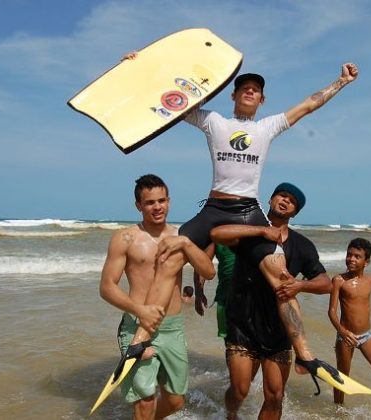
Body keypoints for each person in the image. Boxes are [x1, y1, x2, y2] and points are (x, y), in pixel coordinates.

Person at [123, 51, 358, 384]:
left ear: (262, 100)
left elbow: (308, 104)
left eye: (255, 89)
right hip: (214, 208)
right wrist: (139, 68)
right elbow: (169, 104)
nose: (249, 91)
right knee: (170, 254)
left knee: (280, 275)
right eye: (243, 87)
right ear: (233, 95)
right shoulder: (214, 121)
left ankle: (305, 356)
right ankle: (140, 340)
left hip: (249, 211)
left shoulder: (267, 126)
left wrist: (341, 82)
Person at [98, 174, 215, 419]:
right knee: (145, 401)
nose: (157, 207)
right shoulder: (125, 238)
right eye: (150, 202)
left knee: (175, 400)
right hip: (138, 325)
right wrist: (140, 310)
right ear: (139, 206)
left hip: (173, 327)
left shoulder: (181, 236)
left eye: (162, 200)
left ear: (169, 201)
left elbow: (208, 271)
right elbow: (107, 287)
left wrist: (185, 243)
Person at [210, 183, 331, 419]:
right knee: (240, 389)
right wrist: (261, 232)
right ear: (270, 199)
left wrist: (300, 285)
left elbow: (325, 282)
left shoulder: (302, 245)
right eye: (281, 196)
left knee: (275, 395)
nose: (285, 201)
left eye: (292, 201)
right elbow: (218, 233)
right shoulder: (250, 231)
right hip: (243, 321)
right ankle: (230, 414)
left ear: (295, 212)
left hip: (278, 327)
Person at [328, 238, 371, 418]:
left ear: (367, 262)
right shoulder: (339, 280)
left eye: (357, 256)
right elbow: (332, 312)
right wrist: (342, 331)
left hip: (366, 336)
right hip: (345, 337)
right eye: (349, 255)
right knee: (342, 380)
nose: (351, 259)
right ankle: (338, 412)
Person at [193, 243, 236, 339]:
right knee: (231, 344)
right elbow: (202, 264)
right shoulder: (216, 234)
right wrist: (199, 293)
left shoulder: (255, 229)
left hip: (254, 299)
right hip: (225, 299)